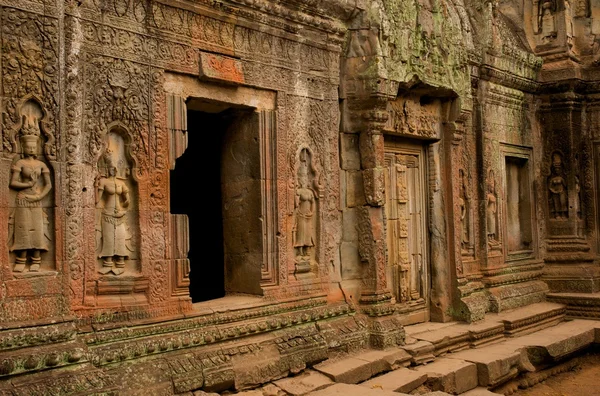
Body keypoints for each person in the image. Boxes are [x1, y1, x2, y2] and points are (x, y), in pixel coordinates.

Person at [9, 128, 52, 272]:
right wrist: (27, 184)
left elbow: (48, 185)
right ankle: (21, 259)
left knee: (37, 229)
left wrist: (39, 196)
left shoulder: (41, 165)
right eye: (28, 146)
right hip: (23, 199)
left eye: (34, 146)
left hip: (36, 199)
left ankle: (36, 259)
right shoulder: (20, 163)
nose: (31, 148)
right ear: (23, 147)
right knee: (23, 229)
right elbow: (13, 183)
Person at [96, 152, 130, 275]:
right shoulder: (104, 182)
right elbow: (97, 200)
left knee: (120, 238)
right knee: (109, 239)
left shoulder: (121, 183)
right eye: (110, 168)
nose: (112, 170)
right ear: (107, 169)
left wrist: (126, 202)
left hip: (120, 214)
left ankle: (120, 263)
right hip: (108, 213)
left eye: (114, 169)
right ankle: (108, 263)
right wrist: (96, 185)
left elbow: (127, 200)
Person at [293, 168, 316, 259]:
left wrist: (312, 211)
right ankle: (300, 251)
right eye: (302, 179)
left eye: (306, 179)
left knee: (308, 232)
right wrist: (296, 197)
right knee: (300, 232)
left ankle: (307, 251)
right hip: (300, 214)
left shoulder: (310, 192)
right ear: (300, 180)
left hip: (308, 215)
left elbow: (313, 202)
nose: (304, 181)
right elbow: (296, 204)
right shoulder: (299, 191)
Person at [548, 153, 568, 220]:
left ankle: (563, 214)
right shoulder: (552, 179)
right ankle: (557, 214)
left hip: (561, 192)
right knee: (556, 203)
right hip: (555, 193)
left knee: (562, 203)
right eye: (556, 169)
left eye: (558, 169)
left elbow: (565, 185)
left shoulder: (561, 178)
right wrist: (553, 190)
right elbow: (550, 187)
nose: (557, 170)